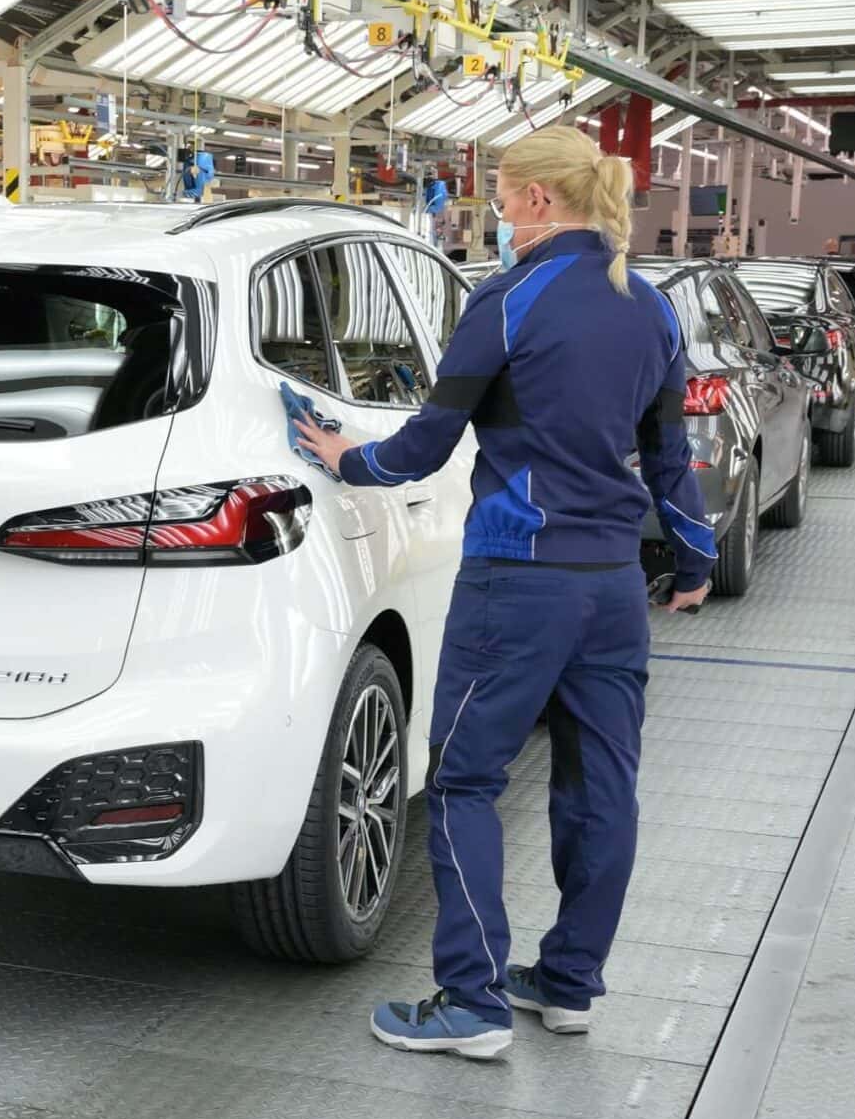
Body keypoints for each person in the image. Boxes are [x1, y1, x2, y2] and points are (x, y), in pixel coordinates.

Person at [293, 124, 714, 1060]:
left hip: (518, 580)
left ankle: (472, 998)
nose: (497, 213)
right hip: (611, 588)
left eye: (501, 196)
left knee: (463, 782)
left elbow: (425, 445)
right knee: (602, 788)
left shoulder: (508, 300)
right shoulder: (651, 308)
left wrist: (345, 457)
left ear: (536, 199)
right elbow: (669, 459)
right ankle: (568, 985)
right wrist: (693, 563)